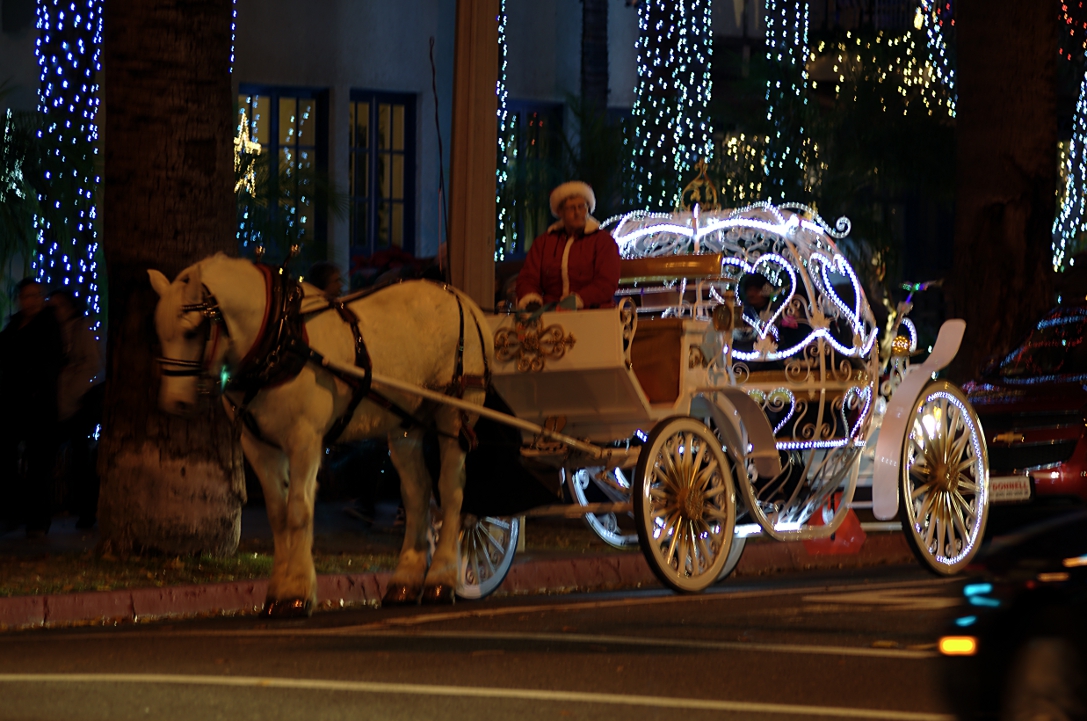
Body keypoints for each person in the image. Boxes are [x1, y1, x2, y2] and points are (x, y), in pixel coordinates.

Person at [0, 279, 64, 538]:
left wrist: (35, 383)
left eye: (35, 296)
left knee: (39, 464)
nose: (30, 301)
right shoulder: (14, 324)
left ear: (42, 297)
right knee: (7, 456)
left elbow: (50, 360)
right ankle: (13, 511)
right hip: (13, 402)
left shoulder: (49, 324)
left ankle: (38, 522)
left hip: (38, 403)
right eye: (25, 296)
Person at [515, 181, 621, 311]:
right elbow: (528, 278)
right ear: (560, 212)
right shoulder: (544, 243)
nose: (577, 213)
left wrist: (579, 300)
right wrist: (531, 298)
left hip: (592, 311)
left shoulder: (603, 242)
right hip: (552, 311)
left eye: (581, 207)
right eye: (571, 208)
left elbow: (607, 282)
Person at [50, 288, 104, 529]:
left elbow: (92, 364)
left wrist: (72, 391)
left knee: (80, 459)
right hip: (62, 402)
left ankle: (86, 512)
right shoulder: (55, 331)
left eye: (58, 306)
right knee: (73, 458)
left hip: (78, 403)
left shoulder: (83, 328)